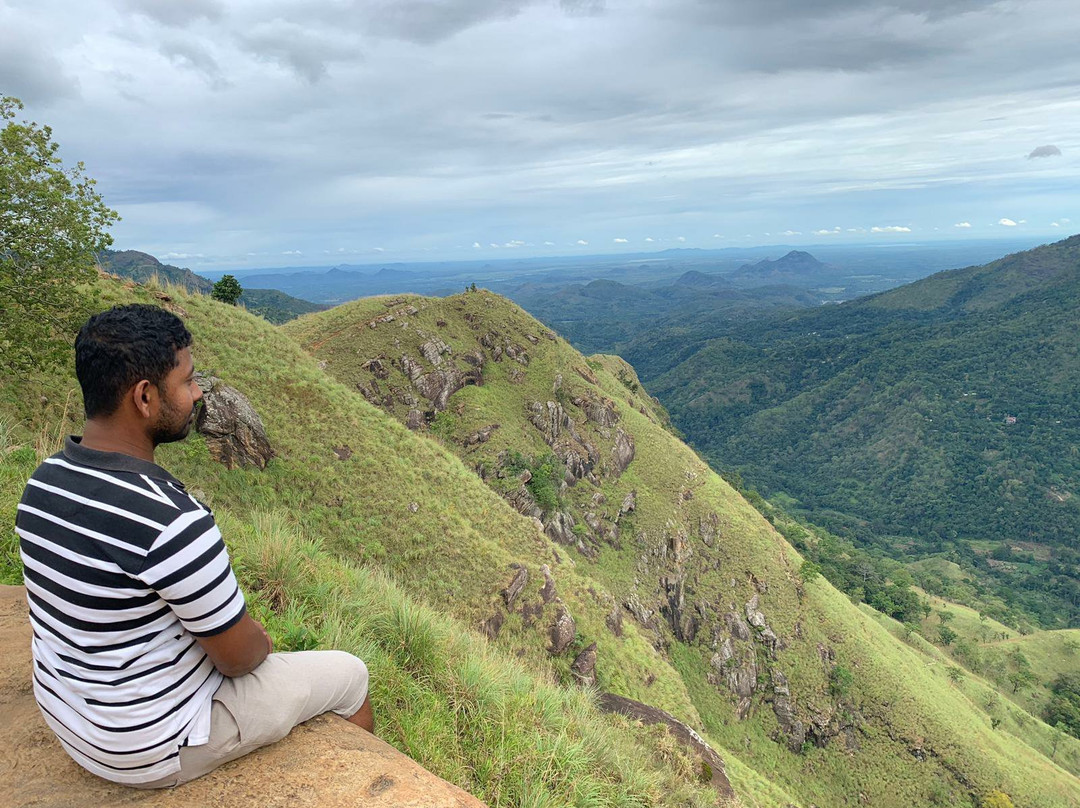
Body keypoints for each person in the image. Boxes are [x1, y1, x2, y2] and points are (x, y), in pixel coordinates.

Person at [15, 303, 373, 788]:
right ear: (144, 397)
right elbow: (240, 659)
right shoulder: (172, 520)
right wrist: (254, 639)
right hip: (145, 747)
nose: (197, 393)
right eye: (186, 381)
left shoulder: (44, 482)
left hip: (71, 720)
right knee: (350, 676)